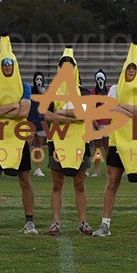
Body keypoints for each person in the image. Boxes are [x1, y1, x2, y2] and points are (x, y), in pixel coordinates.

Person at [92, 43, 137, 238]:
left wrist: (123, 106)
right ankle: (105, 224)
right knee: (112, 181)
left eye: (134, 68)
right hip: (117, 142)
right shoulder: (115, 87)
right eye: (128, 68)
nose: (131, 71)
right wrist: (134, 112)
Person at [0, 35, 38, 236]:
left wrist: (1, 109)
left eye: (10, 63)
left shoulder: (24, 87)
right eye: (5, 63)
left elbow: (23, 113)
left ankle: (29, 222)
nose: (8, 66)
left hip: (18, 139)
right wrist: (12, 106)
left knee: (25, 180)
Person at [43, 46, 93, 236]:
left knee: (79, 183)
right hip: (58, 141)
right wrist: (69, 118)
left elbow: (84, 114)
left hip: (80, 142)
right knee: (57, 184)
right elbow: (47, 115)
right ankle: (55, 222)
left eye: (69, 66)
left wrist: (61, 114)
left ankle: (83, 222)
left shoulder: (84, 92)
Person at [90, 69, 111, 177]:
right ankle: (96, 170)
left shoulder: (109, 91)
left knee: (108, 147)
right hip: (96, 123)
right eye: (98, 78)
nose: (100, 80)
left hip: (107, 122)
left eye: (101, 78)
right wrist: (94, 121)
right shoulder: (93, 92)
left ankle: (109, 170)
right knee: (97, 147)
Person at [28, 71, 47, 177]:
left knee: (38, 146)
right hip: (31, 120)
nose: (39, 81)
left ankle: (38, 168)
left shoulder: (44, 92)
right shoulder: (30, 91)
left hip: (40, 121)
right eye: (37, 79)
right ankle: (25, 165)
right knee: (28, 144)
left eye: (40, 79)